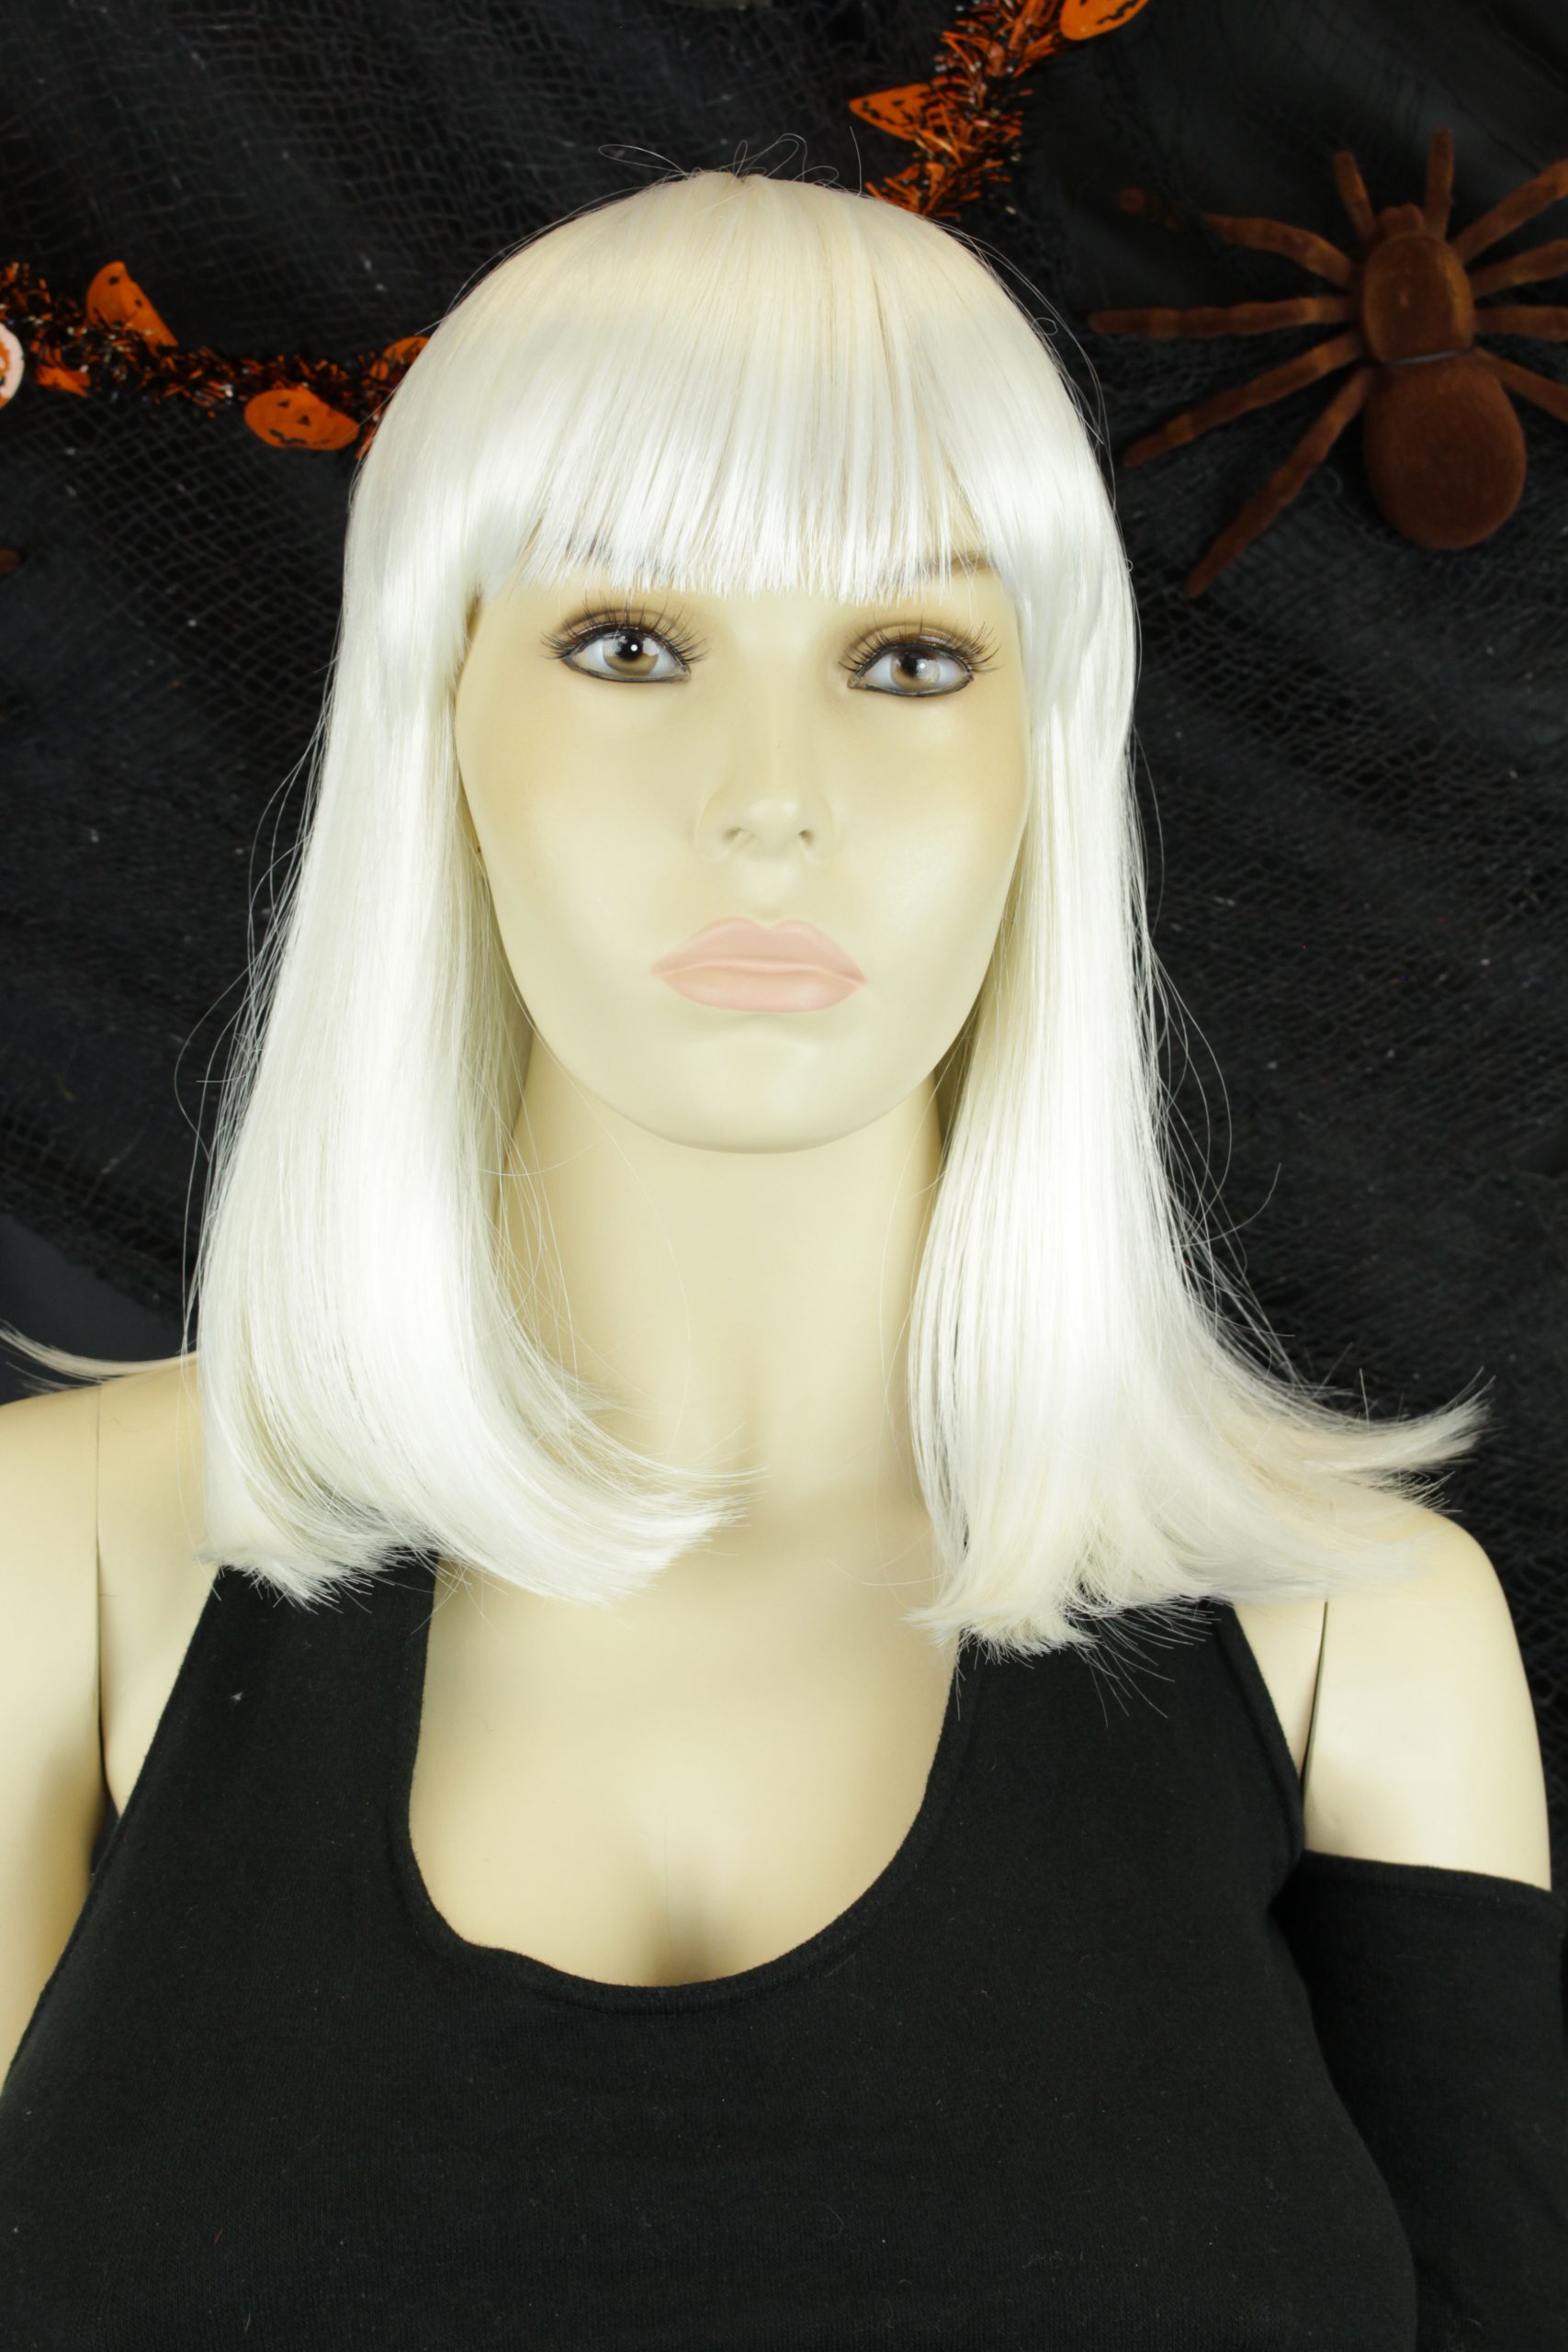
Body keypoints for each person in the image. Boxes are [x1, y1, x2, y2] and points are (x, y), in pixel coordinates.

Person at [0, 161, 1562, 2347]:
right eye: (627, 643)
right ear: (437, 712)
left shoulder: (1353, 1637)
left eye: (906, 657)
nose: (767, 795)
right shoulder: (55, 1568)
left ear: (1042, 758)